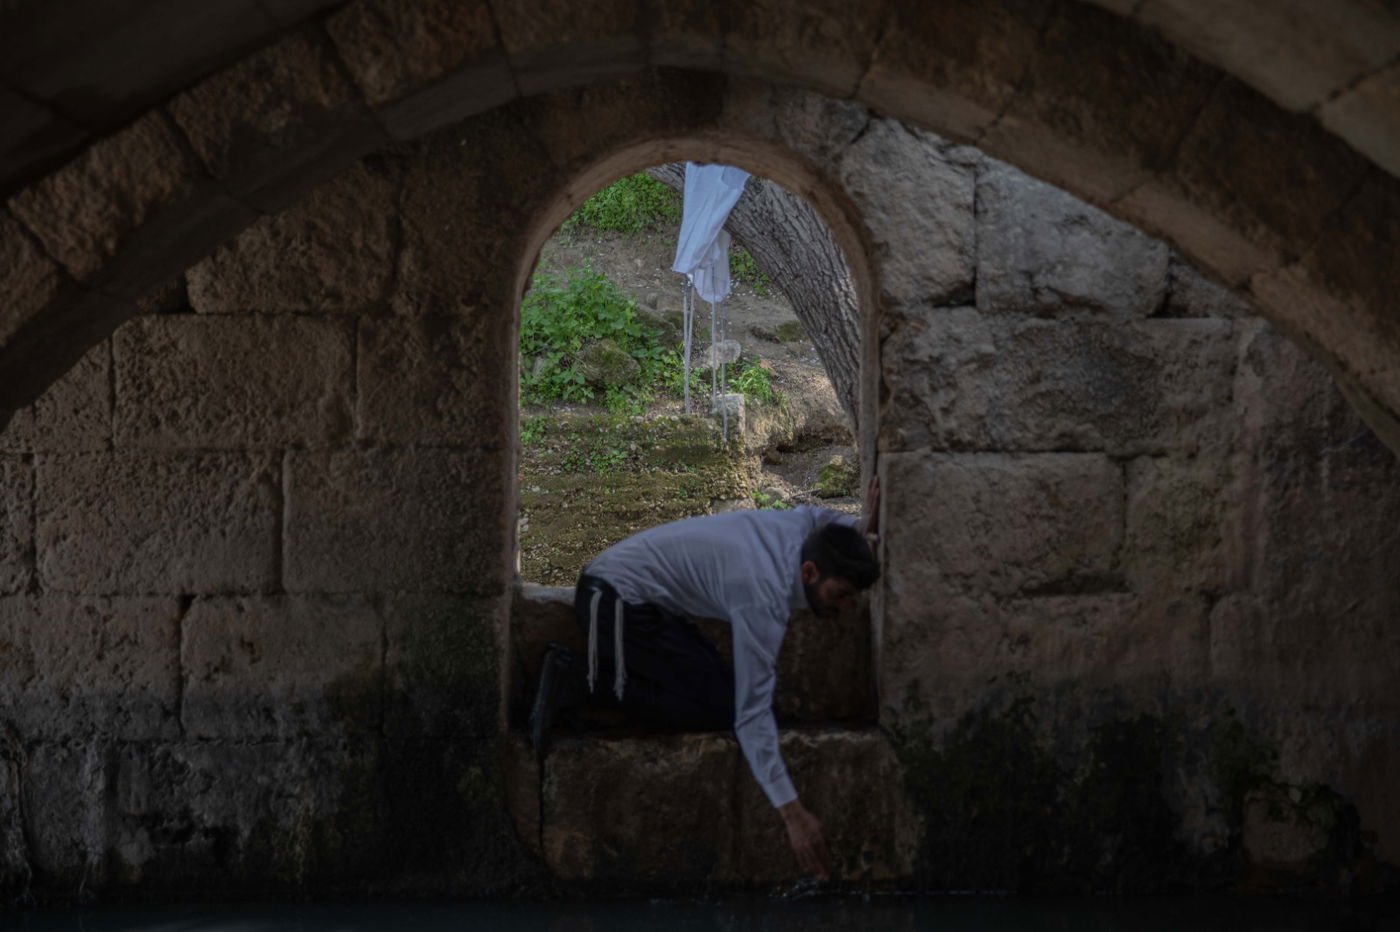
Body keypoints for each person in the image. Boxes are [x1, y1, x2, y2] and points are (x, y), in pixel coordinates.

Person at [530, 477, 881, 879]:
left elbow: (816, 517)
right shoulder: (762, 594)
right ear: (809, 572)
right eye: (840, 594)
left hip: (637, 597)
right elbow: (751, 715)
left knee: (718, 700)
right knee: (713, 710)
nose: (846, 608)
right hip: (612, 601)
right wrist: (793, 814)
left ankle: (580, 677)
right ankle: (577, 678)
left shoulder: (800, 534)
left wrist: (857, 529)